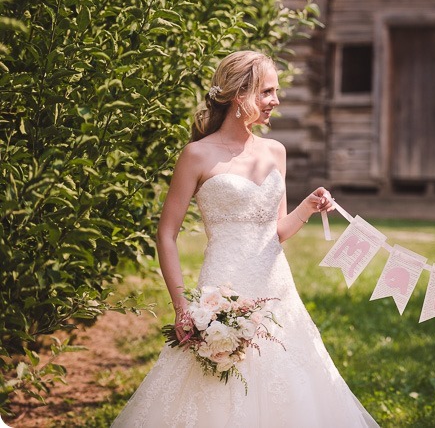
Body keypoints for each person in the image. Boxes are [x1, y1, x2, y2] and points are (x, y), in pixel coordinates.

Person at [113, 50, 379, 427]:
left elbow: (276, 232)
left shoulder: (275, 152)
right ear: (241, 96)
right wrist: (182, 308)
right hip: (221, 287)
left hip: (276, 288)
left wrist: (306, 206)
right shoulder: (197, 155)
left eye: (276, 92)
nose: (276, 101)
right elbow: (166, 234)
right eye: (268, 92)